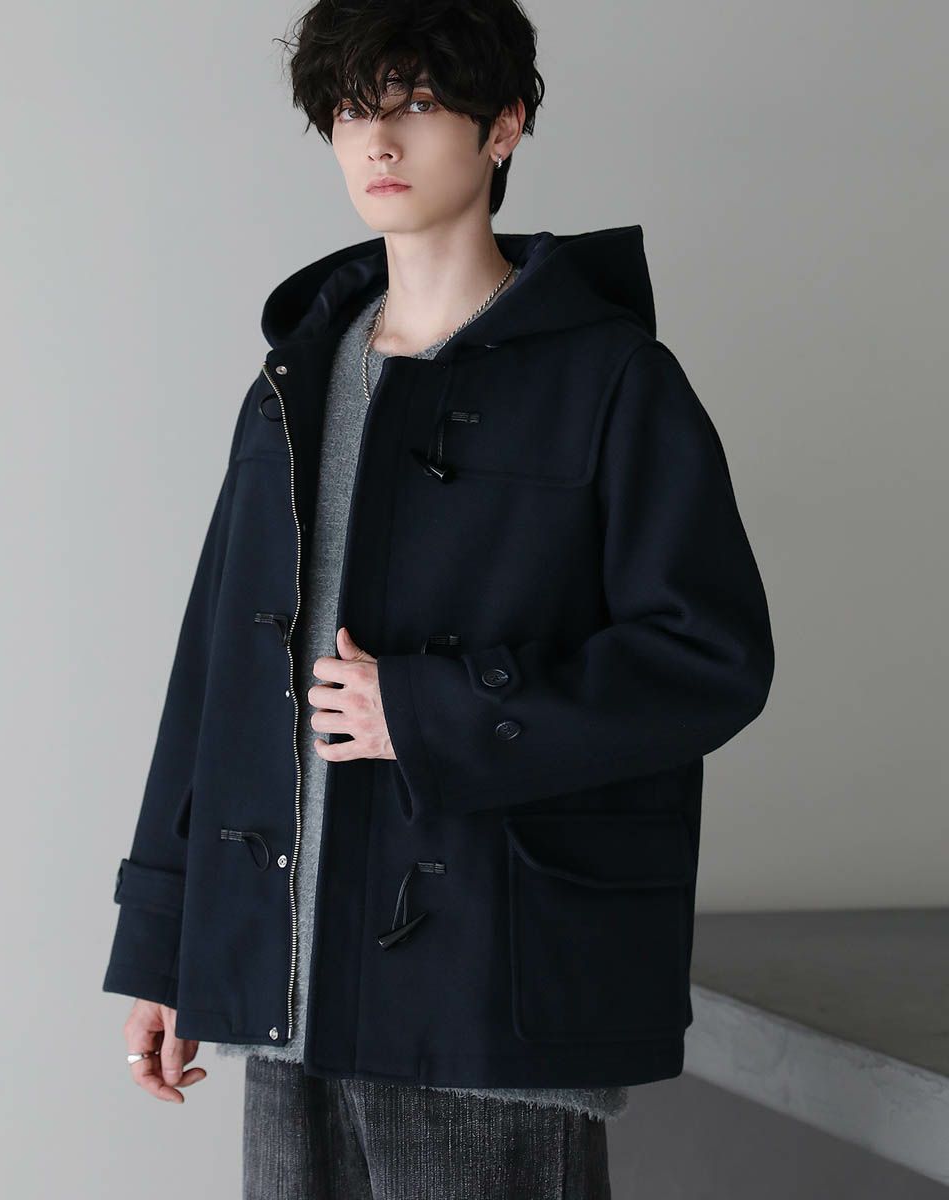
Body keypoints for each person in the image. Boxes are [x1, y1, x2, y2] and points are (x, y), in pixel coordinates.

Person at [103, 2, 774, 1197]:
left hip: (483, 1001)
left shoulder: (613, 379)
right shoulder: (295, 379)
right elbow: (214, 673)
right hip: (287, 994)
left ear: (502, 125)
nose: (378, 140)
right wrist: (165, 947)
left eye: (415, 103)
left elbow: (708, 658)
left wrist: (428, 710)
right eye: (351, 109)